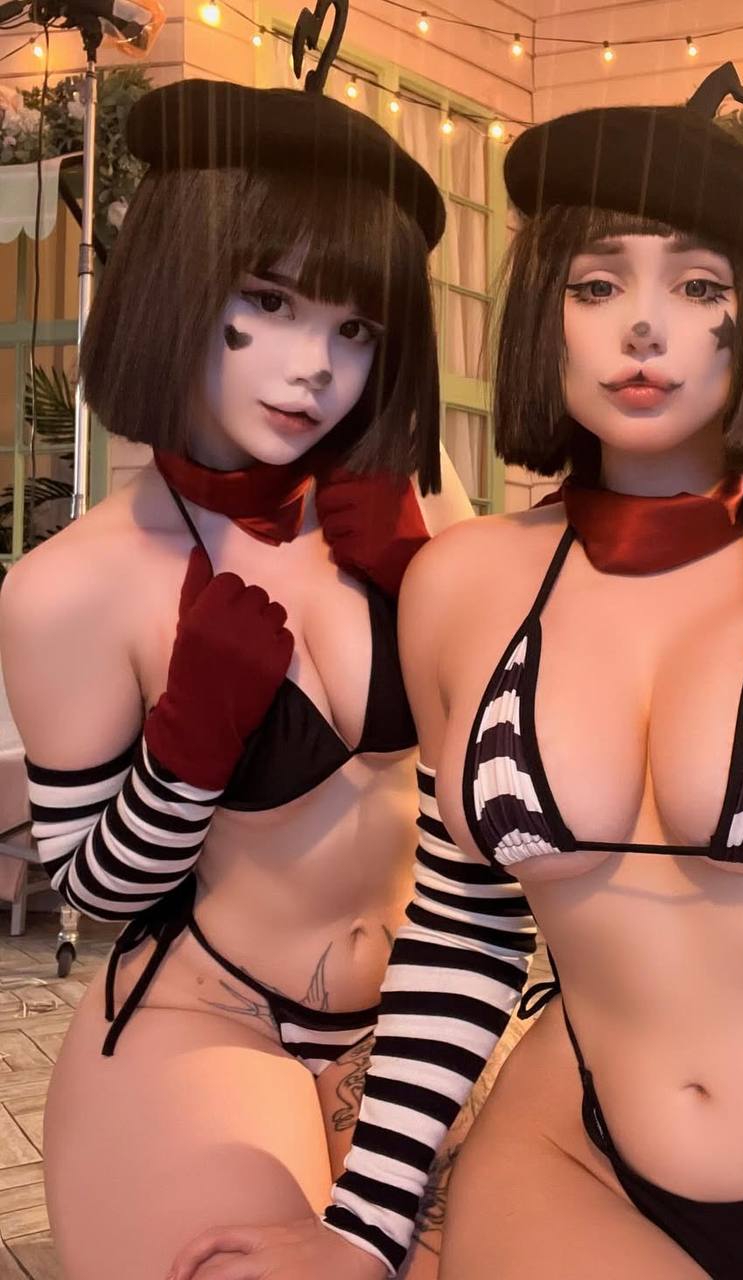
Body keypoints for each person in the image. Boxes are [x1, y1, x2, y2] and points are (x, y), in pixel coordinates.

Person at [169, 63, 743, 1280]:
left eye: (698, 285)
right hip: (573, 1165)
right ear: (546, 314)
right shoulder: (462, 585)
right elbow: (461, 931)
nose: (643, 325)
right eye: (598, 282)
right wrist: (361, 1225)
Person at [0, 74, 473, 1280]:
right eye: (267, 302)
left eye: (357, 329)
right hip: (207, 1014)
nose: (316, 369)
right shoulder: (72, 585)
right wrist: (188, 748)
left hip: (418, 1011)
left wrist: (444, 598)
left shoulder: (422, 503)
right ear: (177, 282)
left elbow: (497, 784)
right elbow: (95, 882)